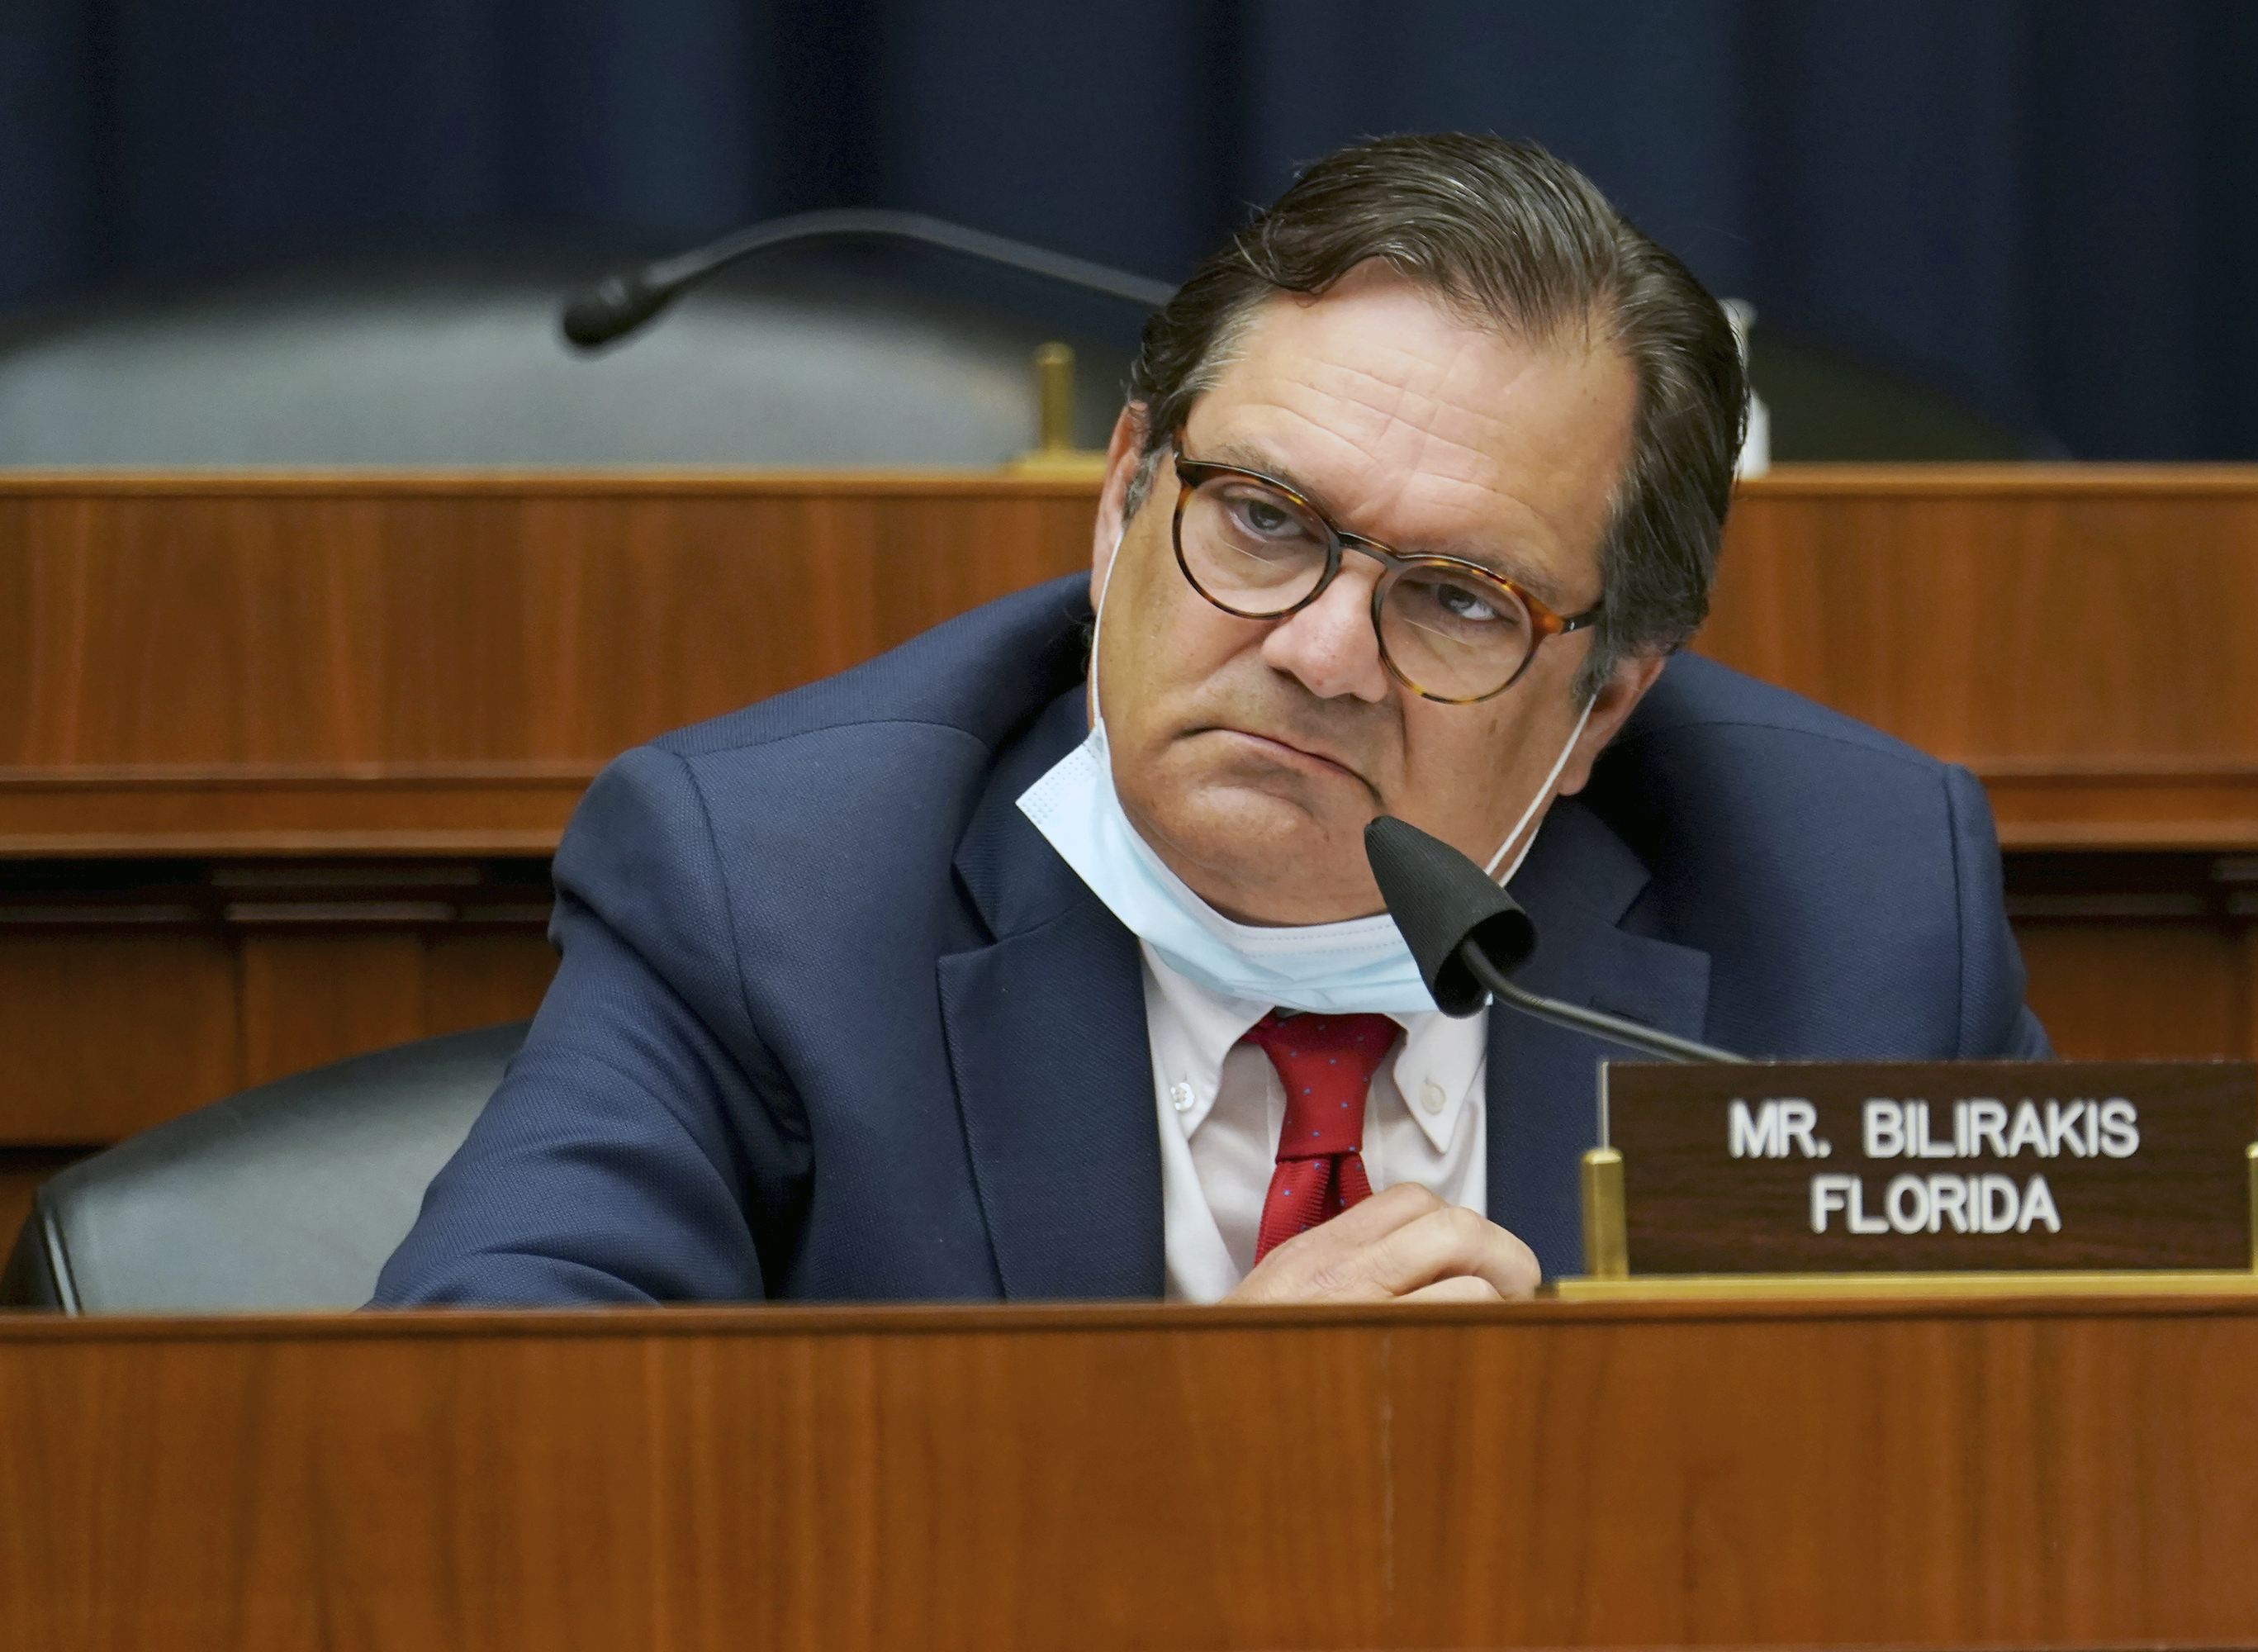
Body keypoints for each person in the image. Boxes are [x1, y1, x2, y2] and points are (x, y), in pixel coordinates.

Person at [374, 134, 2047, 1309]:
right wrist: (1199, 1457)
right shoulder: (773, 889)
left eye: (1459, 598)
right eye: (1260, 517)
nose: (1322, 650)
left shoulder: (1860, 913)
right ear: (1118, 505)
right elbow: (489, 1442)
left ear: (1606, 698)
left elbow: (2056, 1475)